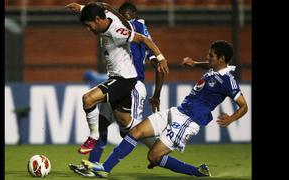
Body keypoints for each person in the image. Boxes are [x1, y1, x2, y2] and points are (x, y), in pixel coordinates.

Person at [77, 40, 248, 178]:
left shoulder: (228, 80)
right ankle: (105, 168)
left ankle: (198, 172)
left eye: (211, 56)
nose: (208, 57)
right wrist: (195, 63)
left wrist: (231, 118)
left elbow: (244, 106)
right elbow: (209, 66)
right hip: (177, 111)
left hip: (188, 121)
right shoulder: (214, 68)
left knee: (153, 157)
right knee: (135, 131)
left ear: (222, 59)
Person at [68, 2, 165, 177]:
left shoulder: (125, 30)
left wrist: (160, 59)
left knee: (131, 130)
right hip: (116, 79)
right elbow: (102, 8)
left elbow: (147, 45)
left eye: (127, 17)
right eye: (122, 16)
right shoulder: (108, 18)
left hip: (132, 84)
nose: (124, 20)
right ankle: (93, 165)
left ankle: (159, 149)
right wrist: (82, 8)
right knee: (104, 122)